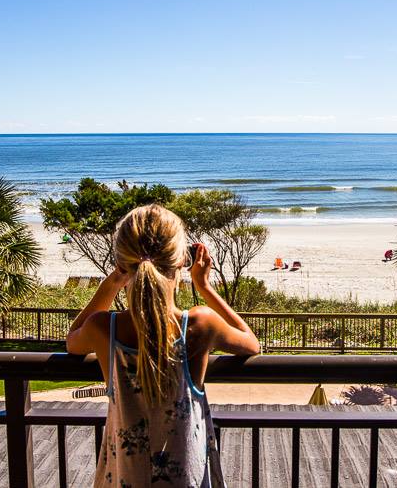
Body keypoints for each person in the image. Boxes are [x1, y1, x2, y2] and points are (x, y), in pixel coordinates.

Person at [66, 204, 260, 487]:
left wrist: (112, 283)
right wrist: (205, 288)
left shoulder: (103, 328)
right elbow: (252, 343)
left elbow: (73, 339)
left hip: (126, 476)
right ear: (183, 259)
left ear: (122, 262)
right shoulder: (200, 324)